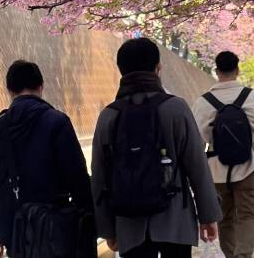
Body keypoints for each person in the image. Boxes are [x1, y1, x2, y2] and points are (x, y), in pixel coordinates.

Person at [92, 37, 221, 258]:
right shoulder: (175, 108)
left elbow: (100, 177)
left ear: (121, 71)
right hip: (175, 219)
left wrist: (107, 228)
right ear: (157, 69)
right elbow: (197, 166)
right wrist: (208, 216)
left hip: (129, 222)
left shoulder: (109, 116)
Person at [0, 60, 94, 258]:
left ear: (9, 90)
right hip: (55, 227)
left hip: (14, 230)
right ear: (41, 86)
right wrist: (91, 219)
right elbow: (77, 177)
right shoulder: (57, 122)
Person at [193, 50, 254, 258]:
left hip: (216, 171)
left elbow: (195, 142)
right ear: (237, 70)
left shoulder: (203, 103)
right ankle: (243, 255)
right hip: (250, 168)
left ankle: (231, 255)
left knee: (224, 219)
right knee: (248, 216)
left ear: (216, 70)